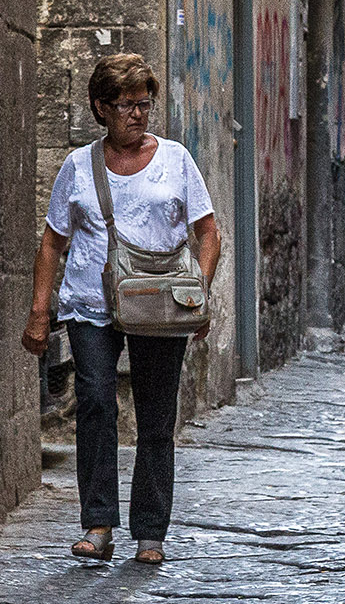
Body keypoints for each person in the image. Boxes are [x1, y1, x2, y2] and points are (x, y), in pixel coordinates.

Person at [22, 53, 221, 565]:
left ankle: (150, 531)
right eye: (127, 105)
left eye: (144, 104)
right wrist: (40, 311)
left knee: (156, 416)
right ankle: (98, 523)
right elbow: (51, 243)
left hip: (159, 305)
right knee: (95, 404)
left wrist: (197, 294)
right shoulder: (77, 167)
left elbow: (208, 232)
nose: (138, 113)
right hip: (90, 304)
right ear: (100, 108)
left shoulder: (176, 160)